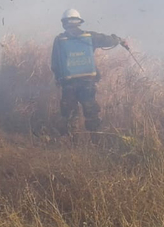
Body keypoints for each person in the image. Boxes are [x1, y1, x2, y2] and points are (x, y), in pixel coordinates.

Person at [50, 9, 128, 137]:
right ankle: (96, 139)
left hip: (68, 84)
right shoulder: (89, 36)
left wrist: (59, 79)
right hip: (87, 83)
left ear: (64, 22)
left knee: (69, 114)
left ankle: (70, 142)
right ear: (79, 22)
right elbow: (107, 40)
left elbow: (55, 63)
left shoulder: (59, 40)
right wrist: (118, 39)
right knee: (91, 112)